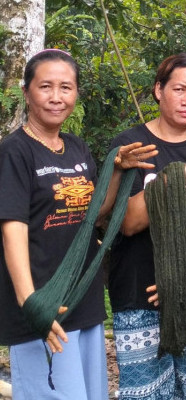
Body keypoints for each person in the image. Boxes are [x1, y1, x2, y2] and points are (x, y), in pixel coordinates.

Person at [0, 49, 156, 399]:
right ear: (26, 92)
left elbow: (94, 216)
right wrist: (30, 301)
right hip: (43, 304)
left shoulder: (76, 148)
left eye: (66, 87)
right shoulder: (15, 151)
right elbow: (13, 229)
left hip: (83, 301)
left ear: (76, 93)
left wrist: (116, 170)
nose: (56, 97)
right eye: (46, 87)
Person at [108, 52, 186, 399]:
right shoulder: (130, 145)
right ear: (158, 90)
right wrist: (172, 177)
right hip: (139, 292)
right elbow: (129, 223)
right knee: (145, 392)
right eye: (179, 89)